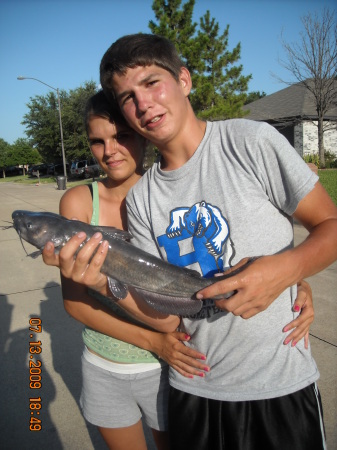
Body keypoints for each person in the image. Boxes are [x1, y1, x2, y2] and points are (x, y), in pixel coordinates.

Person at [42, 33, 332, 449]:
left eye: (151, 83)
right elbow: (166, 317)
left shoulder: (250, 142)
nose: (143, 104)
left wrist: (290, 272)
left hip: (280, 386)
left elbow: (329, 225)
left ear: (184, 80)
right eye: (127, 97)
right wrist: (101, 281)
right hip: (193, 391)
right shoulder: (141, 200)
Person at [45, 90, 216, 450]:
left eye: (121, 136)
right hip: (104, 368)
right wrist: (154, 341)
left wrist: (297, 286)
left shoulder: (172, 198)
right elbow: (75, 304)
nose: (109, 151)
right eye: (98, 141)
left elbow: (220, 264)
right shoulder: (79, 202)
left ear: (142, 134)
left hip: (170, 369)